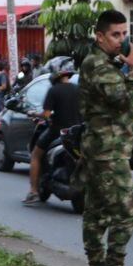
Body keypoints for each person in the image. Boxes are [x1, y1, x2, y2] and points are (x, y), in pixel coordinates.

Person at [78, 11, 133, 266]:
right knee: (125, 214)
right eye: (115, 35)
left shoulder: (104, 63)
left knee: (96, 213)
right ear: (100, 36)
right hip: (108, 151)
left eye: (124, 34)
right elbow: (123, 101)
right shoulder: (99, 65)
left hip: (102, 148)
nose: (122, 40)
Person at [23, 58, 83, 206]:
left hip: (57, 132)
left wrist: (33, 114)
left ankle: (33, 191)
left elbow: (46, 115)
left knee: (36, 155)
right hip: (77, 133)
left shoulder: (54, 90)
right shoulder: (78, 90)